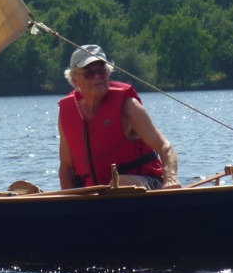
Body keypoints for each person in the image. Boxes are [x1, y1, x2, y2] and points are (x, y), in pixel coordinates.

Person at [58, 45, 180, 190]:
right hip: (99, 196)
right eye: (89, 73)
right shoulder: (67, 113)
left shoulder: (128, 107)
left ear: (108, 73)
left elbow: (165, 147)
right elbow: (66, 168)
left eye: (101, 71)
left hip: (144, 185)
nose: (97, 77)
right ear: (75, 80)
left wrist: (170, 178)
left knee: (121, 183)